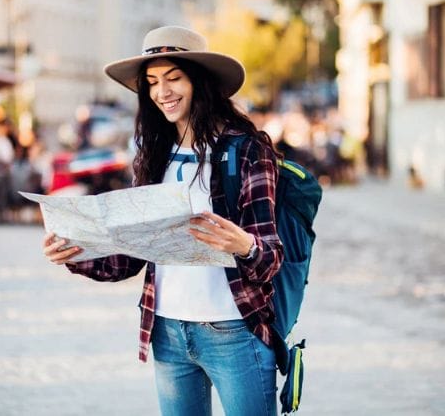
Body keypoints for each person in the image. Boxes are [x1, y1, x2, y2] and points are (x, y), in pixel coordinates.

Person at [42, 26, 283, 416]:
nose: (162, 91)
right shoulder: (153, 157)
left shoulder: (248, 150)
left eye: (174, 78)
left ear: (199, 82)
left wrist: (243, 245)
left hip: (234, 331)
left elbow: (272, 257)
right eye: (152, 82)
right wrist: (73, 252)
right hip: (167, 331)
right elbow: (130, 258)